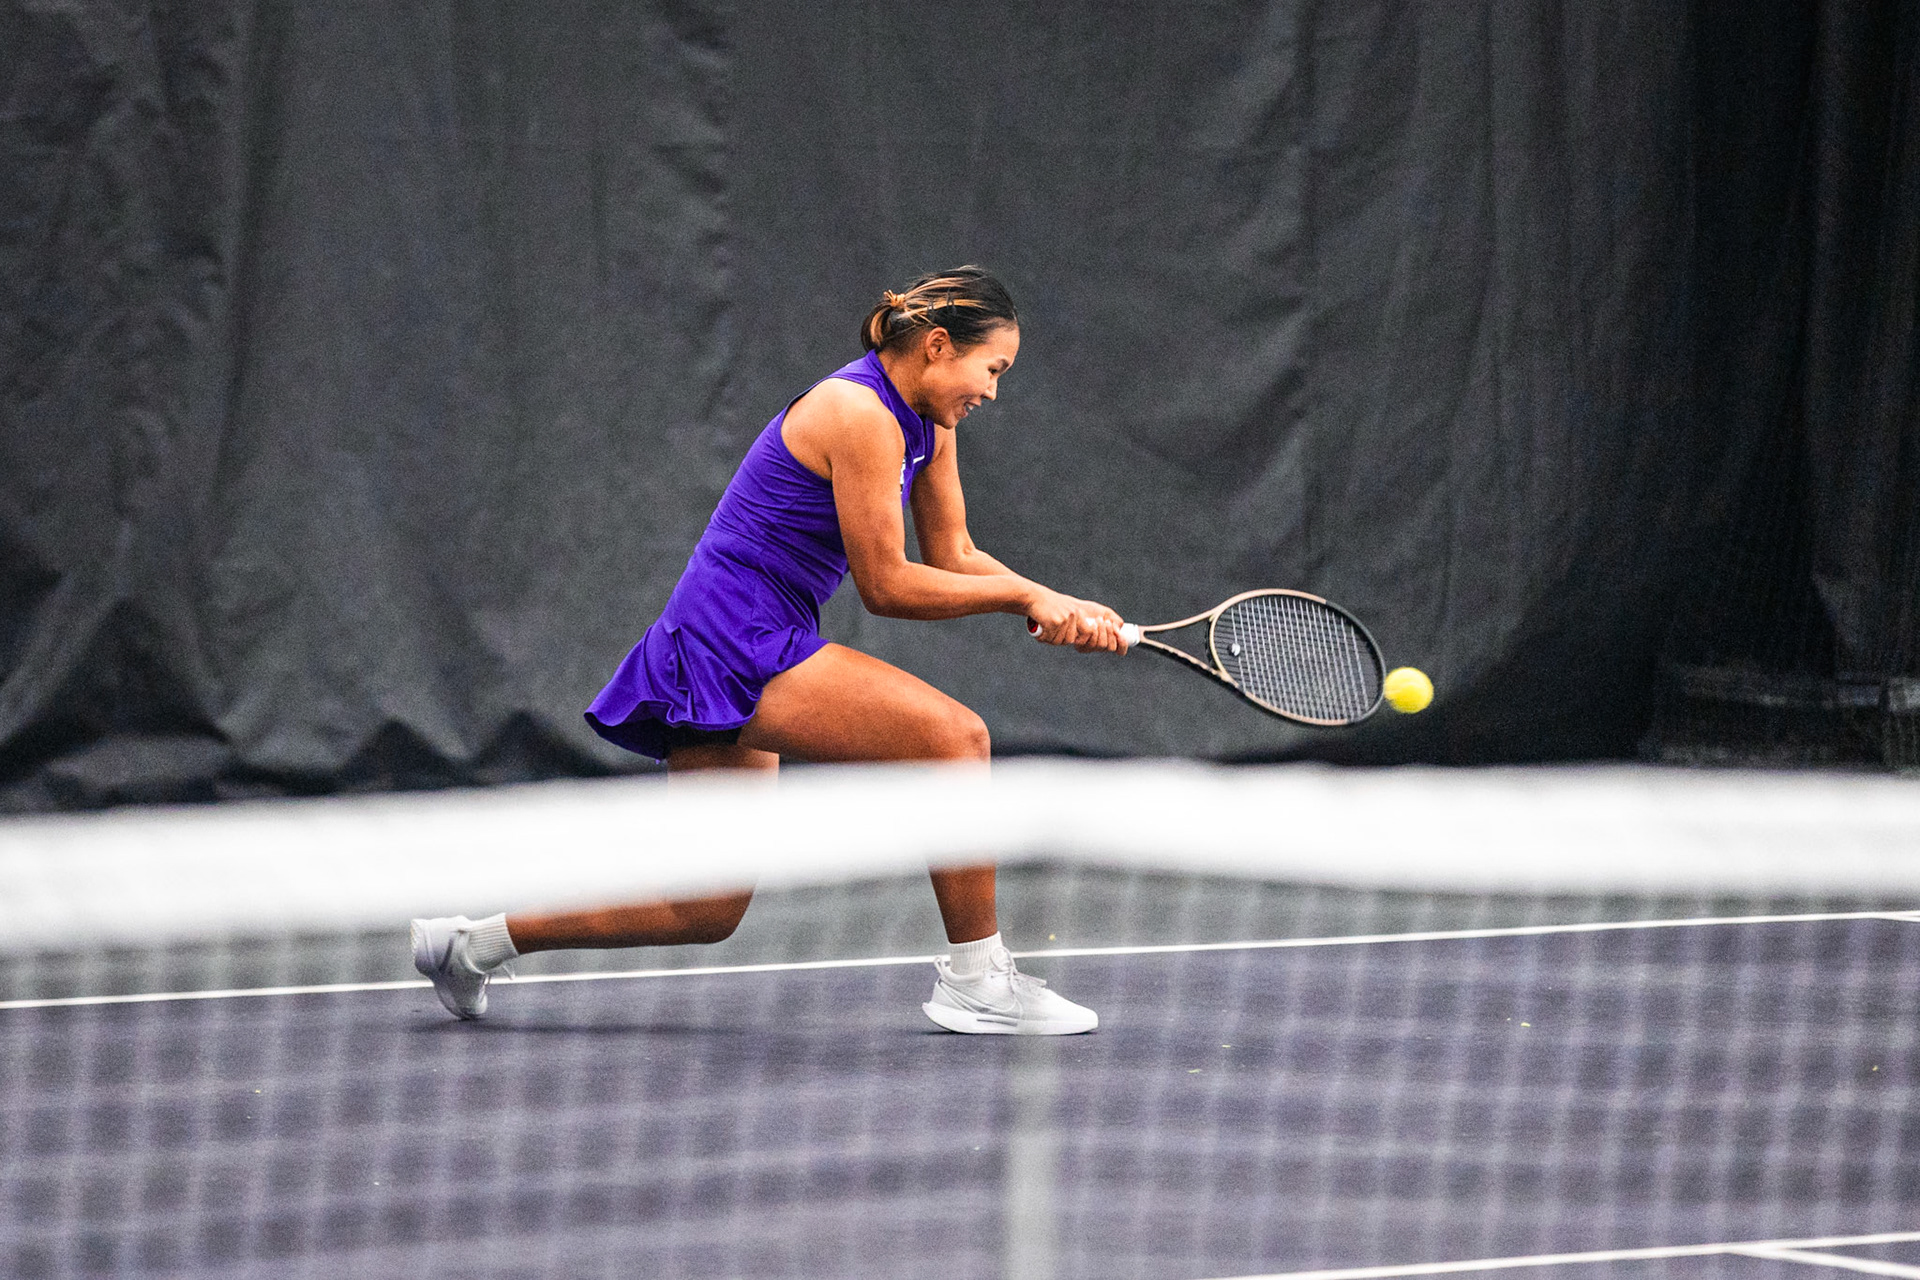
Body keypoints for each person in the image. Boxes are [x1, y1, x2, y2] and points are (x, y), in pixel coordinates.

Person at [411, 266, 1125, 1034]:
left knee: (702, 908)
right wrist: (1023, 598)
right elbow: (887, 586)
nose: (992, 391)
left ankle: (471, 944)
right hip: (734, 633)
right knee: (955, 740)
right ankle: (976, 978)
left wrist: (1061, 600)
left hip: (737, 634)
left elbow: (952, 552)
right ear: (940, 346)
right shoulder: (858, 413)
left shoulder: (932, 424)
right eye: (993, 369)